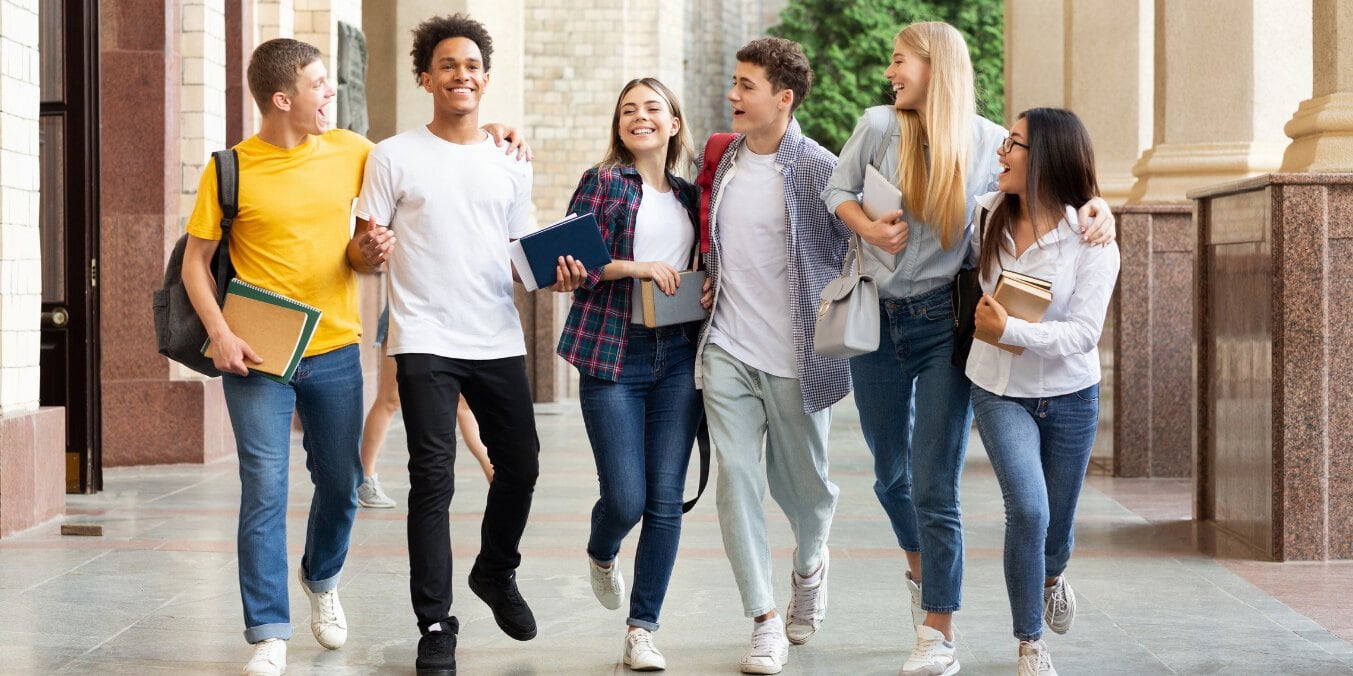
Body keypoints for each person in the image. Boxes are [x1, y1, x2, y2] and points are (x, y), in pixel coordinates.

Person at [821, 21, 1115, 676]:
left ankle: (937, 630)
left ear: (936, 66)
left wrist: (1099, 204)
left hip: (945, 327)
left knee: (933, 479)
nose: (889, 71)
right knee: (889, 473)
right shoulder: (874, 126)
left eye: (900, 60)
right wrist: (869, 225)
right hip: (875, 320)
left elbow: (1045, 190)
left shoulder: (987, 144)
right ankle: (922, 570)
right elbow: (834, 189)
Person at [351, 13, 586, 676]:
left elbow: (521, 254)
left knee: (523, 466)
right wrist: (368, 248)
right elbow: (363, 246)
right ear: (426, 77)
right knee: (432, 478)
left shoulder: (508, 158)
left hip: (496, 335)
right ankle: (435, 623)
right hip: (423, 335)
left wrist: (558, 270)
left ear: (485, 78)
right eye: (447, 65)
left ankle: (494, 570)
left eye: (472, 66)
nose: (461, 75)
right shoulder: (393, 155)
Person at [695, 37, 851, 675]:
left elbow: (857, 243)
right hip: (727, 347)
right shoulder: (724, 157)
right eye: (734, 83)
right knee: (735, 479)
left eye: (746, 85)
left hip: (798, 355)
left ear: (783, 99)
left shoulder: (818, 166)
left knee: (805, 490)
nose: (733, 95)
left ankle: (810, 563)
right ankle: (763, 619)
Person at [556, 77, 703, 671]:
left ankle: (643, 627)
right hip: (614, 353)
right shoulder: (602, 180)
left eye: (652, 109)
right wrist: (636, 267)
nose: (639, 117)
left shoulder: (694, 195)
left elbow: (704, 263)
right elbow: (571, 261)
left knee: (665, 501)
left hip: (679, 356)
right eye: (627, 110)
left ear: (673, 123)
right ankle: (601, 548)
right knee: (625, 497)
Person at [968, 108, 1119, 676]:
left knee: (1057, 527)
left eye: (1014, 144)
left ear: (1048, 158)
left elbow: (1084, 334)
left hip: (1070, 395)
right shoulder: (985, 214)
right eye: (1005, 141)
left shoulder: (1091, 239)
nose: (1002, 152)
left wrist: (1012, 330)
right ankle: (1030, 642)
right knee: (1028, 512)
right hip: (998, 387)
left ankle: (1053, 575)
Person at [358, 301, 493, 510]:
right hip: (410, 315)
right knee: (390, 400)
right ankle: (365, 478)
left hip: (456, 319)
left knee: (463, 405)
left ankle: (492, 473)